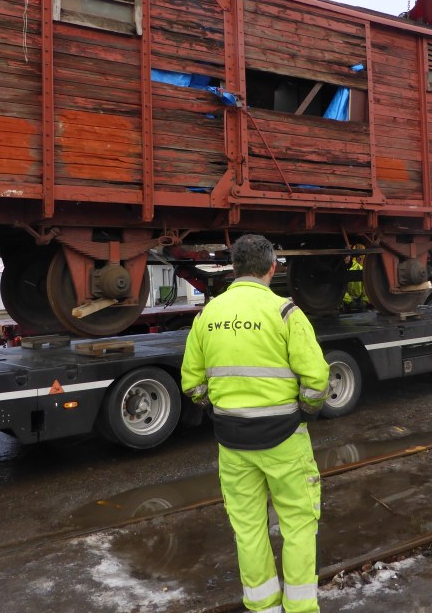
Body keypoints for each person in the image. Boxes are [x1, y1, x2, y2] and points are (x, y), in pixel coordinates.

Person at [182, 234, 330, 613]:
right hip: (284, 439)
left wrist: (217, 411)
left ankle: (263, 606)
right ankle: (300, 608)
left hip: (232, 442)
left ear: (234, 268)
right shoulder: (285, 313)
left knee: (247, 528)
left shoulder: (207, 316)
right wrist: (305, 411)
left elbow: (192, 383)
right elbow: (316, 381)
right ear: (272, 267)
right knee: (298, 524)